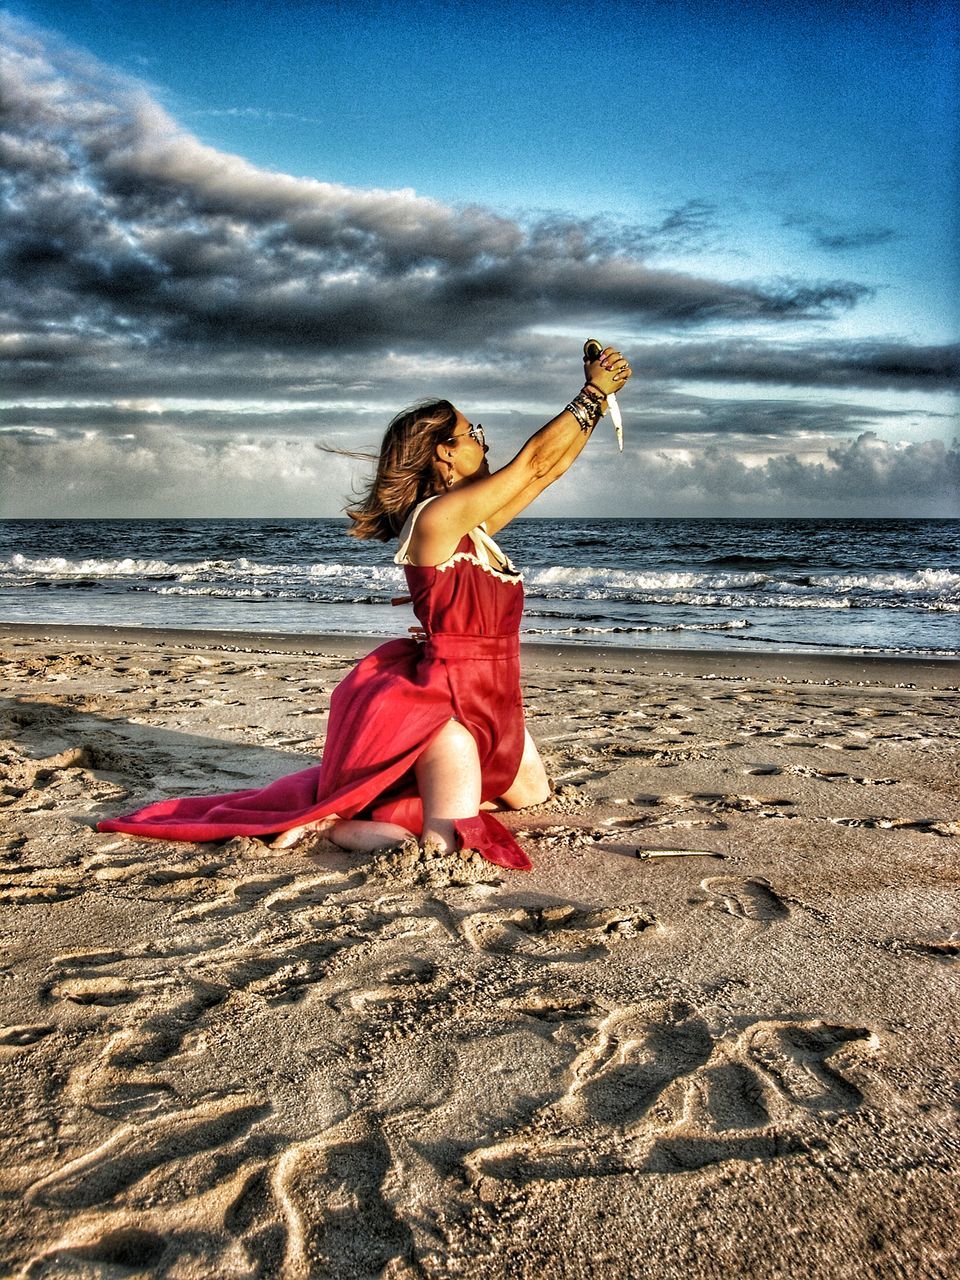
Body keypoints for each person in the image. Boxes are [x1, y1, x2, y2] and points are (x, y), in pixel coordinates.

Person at [98, 345, 632, 869]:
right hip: (447, 711)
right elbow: (532, 461)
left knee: (534, 797)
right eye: (474, 434)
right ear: (444, 451)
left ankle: (400, 794)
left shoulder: (473, 525)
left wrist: (600, 403)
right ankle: (338, 824)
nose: (481, 442)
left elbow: (545, 470)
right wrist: (591, 391)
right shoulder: (435, 521)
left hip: (495, 698)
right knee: (449, 844)